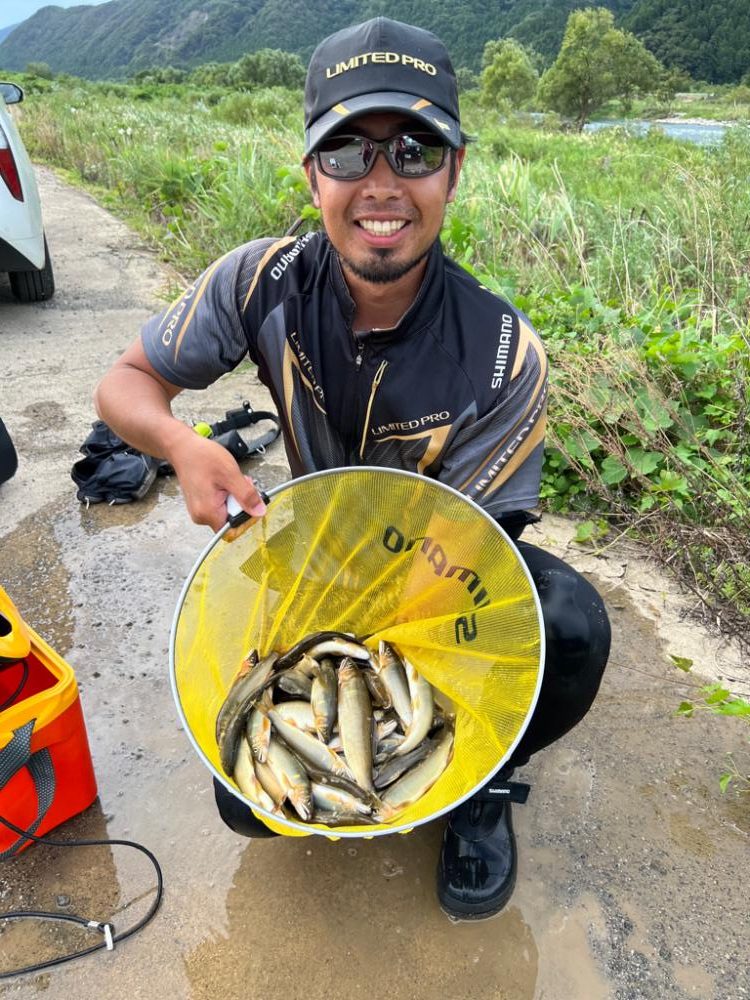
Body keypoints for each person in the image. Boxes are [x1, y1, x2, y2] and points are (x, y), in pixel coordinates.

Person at [94, 17, 610, 921]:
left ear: (454, 171)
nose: (381, 183)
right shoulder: (260, 280)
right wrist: (181, 446)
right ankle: (369, 763)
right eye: (347, 151)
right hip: (314, 553)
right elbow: (125, 384)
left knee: (569, 625)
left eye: (414, 149)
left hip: (436, 569)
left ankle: (482, 786)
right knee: (247, 806)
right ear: (311, 174)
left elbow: (474, 554)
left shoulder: (500, 354)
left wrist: (382, 653)